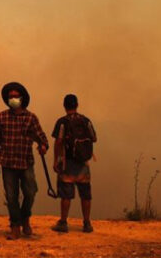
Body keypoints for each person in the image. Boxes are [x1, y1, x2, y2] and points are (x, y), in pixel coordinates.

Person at [0, 82, 48, 239]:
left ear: (22, 98)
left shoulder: (30, 118)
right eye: (10, 97)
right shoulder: (1, 117)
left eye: (16, 96)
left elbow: (42, 138)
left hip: (26, 162)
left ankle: (25, 217)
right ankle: (15, 226)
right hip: (8, 163)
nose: (13, 99)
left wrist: (43, 146)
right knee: (11, 197)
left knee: (31, 192)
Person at [51, 94, 97, 234]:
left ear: (64, 106)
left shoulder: (62, 122)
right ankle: (87, 223)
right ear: (77, 105)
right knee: (85, 194)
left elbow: (58, 142)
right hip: (83, 163)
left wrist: (56, 160)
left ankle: (64, 222)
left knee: (66, 195)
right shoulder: (85, 120)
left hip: (68, 162)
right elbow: (94, 138)